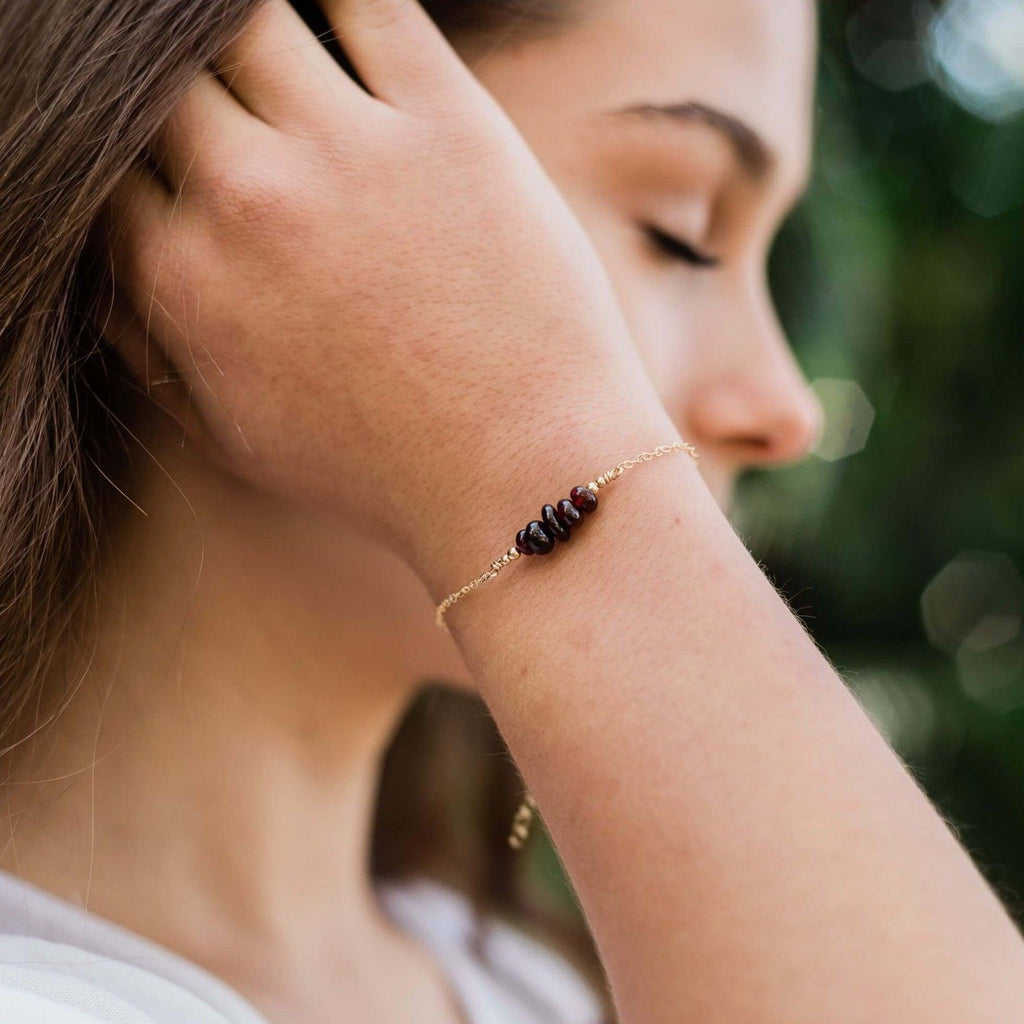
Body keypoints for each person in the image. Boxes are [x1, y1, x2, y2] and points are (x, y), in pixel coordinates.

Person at [0, 0, 1021, 1022]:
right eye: (683, 233)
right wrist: (537, 443)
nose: (786, 408)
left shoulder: (534, 988)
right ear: (221, 155)